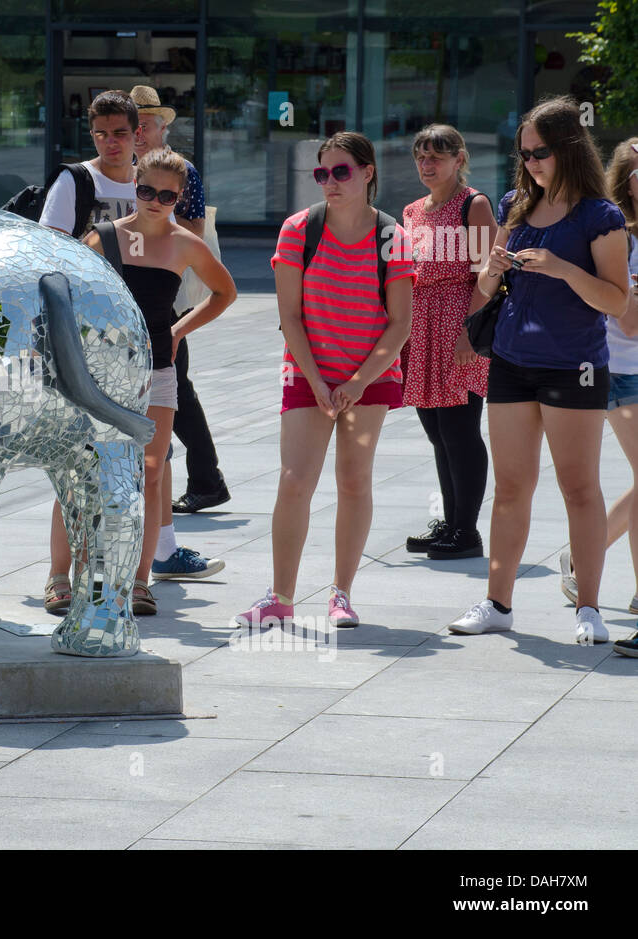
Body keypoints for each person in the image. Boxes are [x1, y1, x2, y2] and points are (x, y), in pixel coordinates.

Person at [448, 97, 629, 644]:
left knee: (579, 488)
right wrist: (490, 269)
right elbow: (484, 289)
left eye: (540, 152)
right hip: (511, 360)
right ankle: (497, 602)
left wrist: (562, 269)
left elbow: (617, 302)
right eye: (524, 154)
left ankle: (590, 609)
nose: (531, 163)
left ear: (569, 149)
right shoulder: (516, 205)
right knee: (510, 489)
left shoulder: (601, 215)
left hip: (573, 363)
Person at [44, 148, 237, 617]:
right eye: (147, 190)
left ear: (179, 197)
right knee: (79, 469)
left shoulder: (185, 244)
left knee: (152, 472)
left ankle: (139, 579)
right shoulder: (103, 238)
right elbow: (64, 293)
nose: (155, 201)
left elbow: (224, 292)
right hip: (102, 369)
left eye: (167, 195)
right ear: (135, 187)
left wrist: (178, 329)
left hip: (156, 368)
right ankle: (59, 576)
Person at [236, 131, 415, 630]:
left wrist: (357, 382)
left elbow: (400, 322)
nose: (330, 183)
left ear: (368, 172)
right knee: (295, 482)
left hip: (371, 377)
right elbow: (289, 317)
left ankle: (341, 595)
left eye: (342, 172)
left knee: (354, 480)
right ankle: (281, 596)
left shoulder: (391, 235)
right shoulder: (299, 229)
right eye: (322, 174)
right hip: (307, 371)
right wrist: (316, 381)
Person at [128, 84, 231, 514]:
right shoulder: (129, 169)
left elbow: (192, 223)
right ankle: (203, 478)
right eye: (132, 126)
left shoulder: (180, 169)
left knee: (176, 382)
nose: (136, 133)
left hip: (171, 289)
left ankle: (206, 478)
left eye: (144, 125)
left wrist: (153, 219)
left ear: (163, 126)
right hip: (142, 288)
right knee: (176, 385)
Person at [556, 138, 638, 656]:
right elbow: (627, 323)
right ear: (627, 179)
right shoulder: (620, 237)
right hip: (621, 374)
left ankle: (578, 558)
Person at [401, 124, 496, 559]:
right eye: (421, 156)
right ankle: (452, 521)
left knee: (460, 430)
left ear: (459, 159)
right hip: (420, 326)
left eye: (437, 156)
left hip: (458, 322)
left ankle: (467, 530)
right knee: (436, 431)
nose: (427, 164)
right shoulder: (412, 211)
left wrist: (467, 331)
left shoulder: (473, 205)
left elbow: (488, 275)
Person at [39, 90, 139, 239]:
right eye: (101, 134)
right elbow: (52, 248)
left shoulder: (151, 183)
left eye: (119, 133)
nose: (110, 143)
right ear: (92, 135)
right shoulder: (72, 180)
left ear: (137, 134)